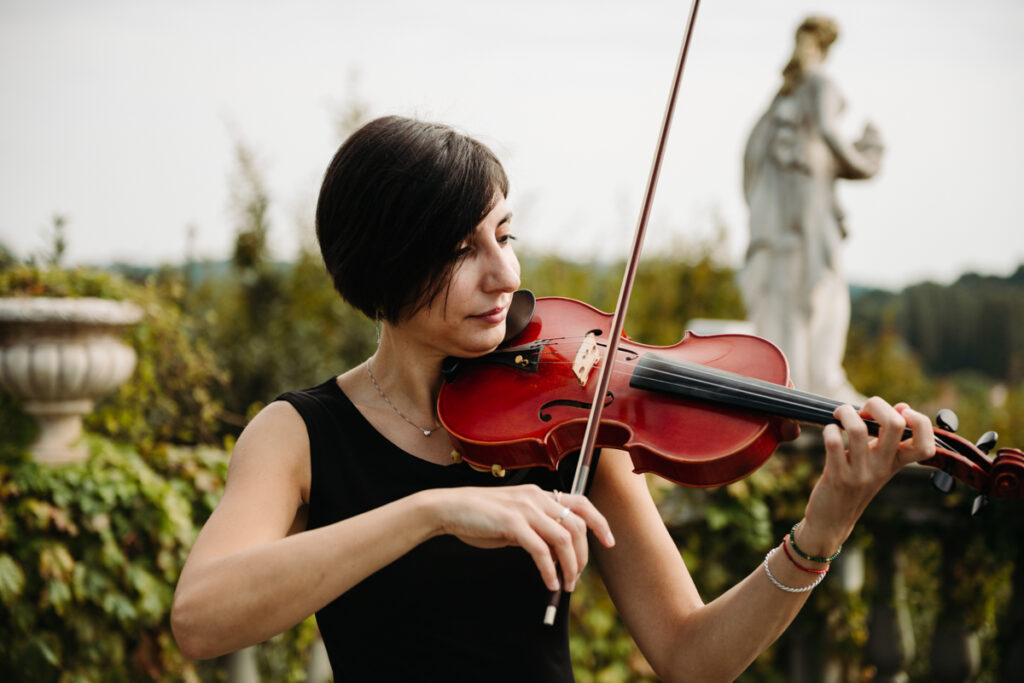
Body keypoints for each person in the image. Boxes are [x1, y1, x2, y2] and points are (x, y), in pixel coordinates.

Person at [171, 115, 934, 681]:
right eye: (462, 251)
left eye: (505, 235)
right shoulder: (298, 435)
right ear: (386, 266)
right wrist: (432, 512)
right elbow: (201, 616)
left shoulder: (574, 421)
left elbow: (692, 655)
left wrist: (822, 526)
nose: (504, 274)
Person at [742, 15, 884, 404]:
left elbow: (750, 160)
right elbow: (827, 131)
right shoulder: (819, 82)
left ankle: (790, 378)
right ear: (827, 46)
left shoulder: (780, 98)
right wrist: (867, 159)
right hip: (805, 209)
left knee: (790, 292)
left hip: (779, 211)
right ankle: (816, 381)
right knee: (824, 290)